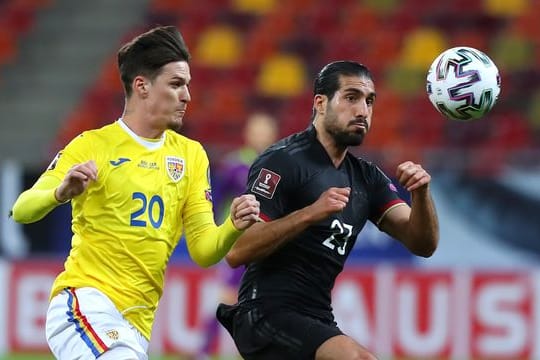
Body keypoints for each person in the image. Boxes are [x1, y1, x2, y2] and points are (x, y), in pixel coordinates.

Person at [10, 25, 260, 360]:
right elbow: (22, 209)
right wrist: (60, 191)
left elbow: (203, 251)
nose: (187, 95)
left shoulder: (191, 156)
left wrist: (233, 224)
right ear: (141, 86)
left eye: (187, 85)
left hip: (137, 324)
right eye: (175, 84)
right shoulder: (92, 145)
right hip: (84, 305)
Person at [216, 60, 439, 360]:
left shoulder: (367, 178)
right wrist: (309, 213)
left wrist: (421, 194)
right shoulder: (282, 162)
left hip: (317, 317)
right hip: (264, 313)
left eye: (369, 101)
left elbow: (422, 243)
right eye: (351, 97)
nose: (363, 111)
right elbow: (237, 251)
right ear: (320, 103)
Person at [197, 112, 278, 359]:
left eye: (265, 130)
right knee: (228, 298)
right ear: (247, 133)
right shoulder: (234, 165)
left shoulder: (279, 166)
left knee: (269, 301)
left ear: (273, 135)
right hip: (239, 245)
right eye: (257, 129)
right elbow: (215, 202)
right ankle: (203, 351)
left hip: (269, 245)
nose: (261, 135)